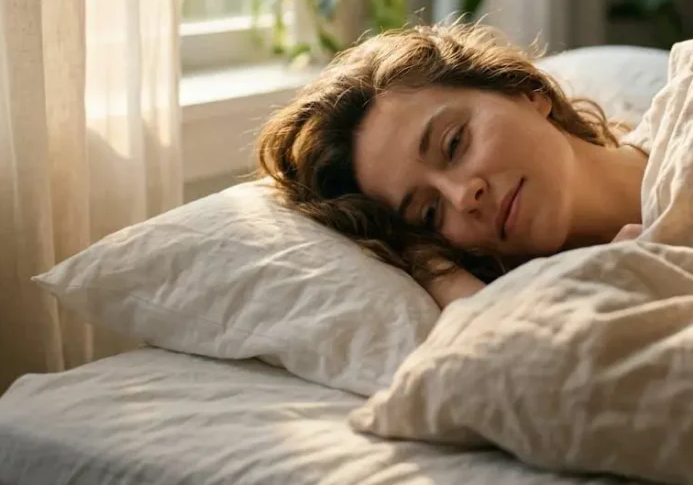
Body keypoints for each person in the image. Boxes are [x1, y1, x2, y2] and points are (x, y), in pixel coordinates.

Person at [256, 24, 649, 308]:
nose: (463, 197)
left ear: (525, 91)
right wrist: (438, 275)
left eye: (454, 143)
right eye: (430, 213)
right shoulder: (564, 305)